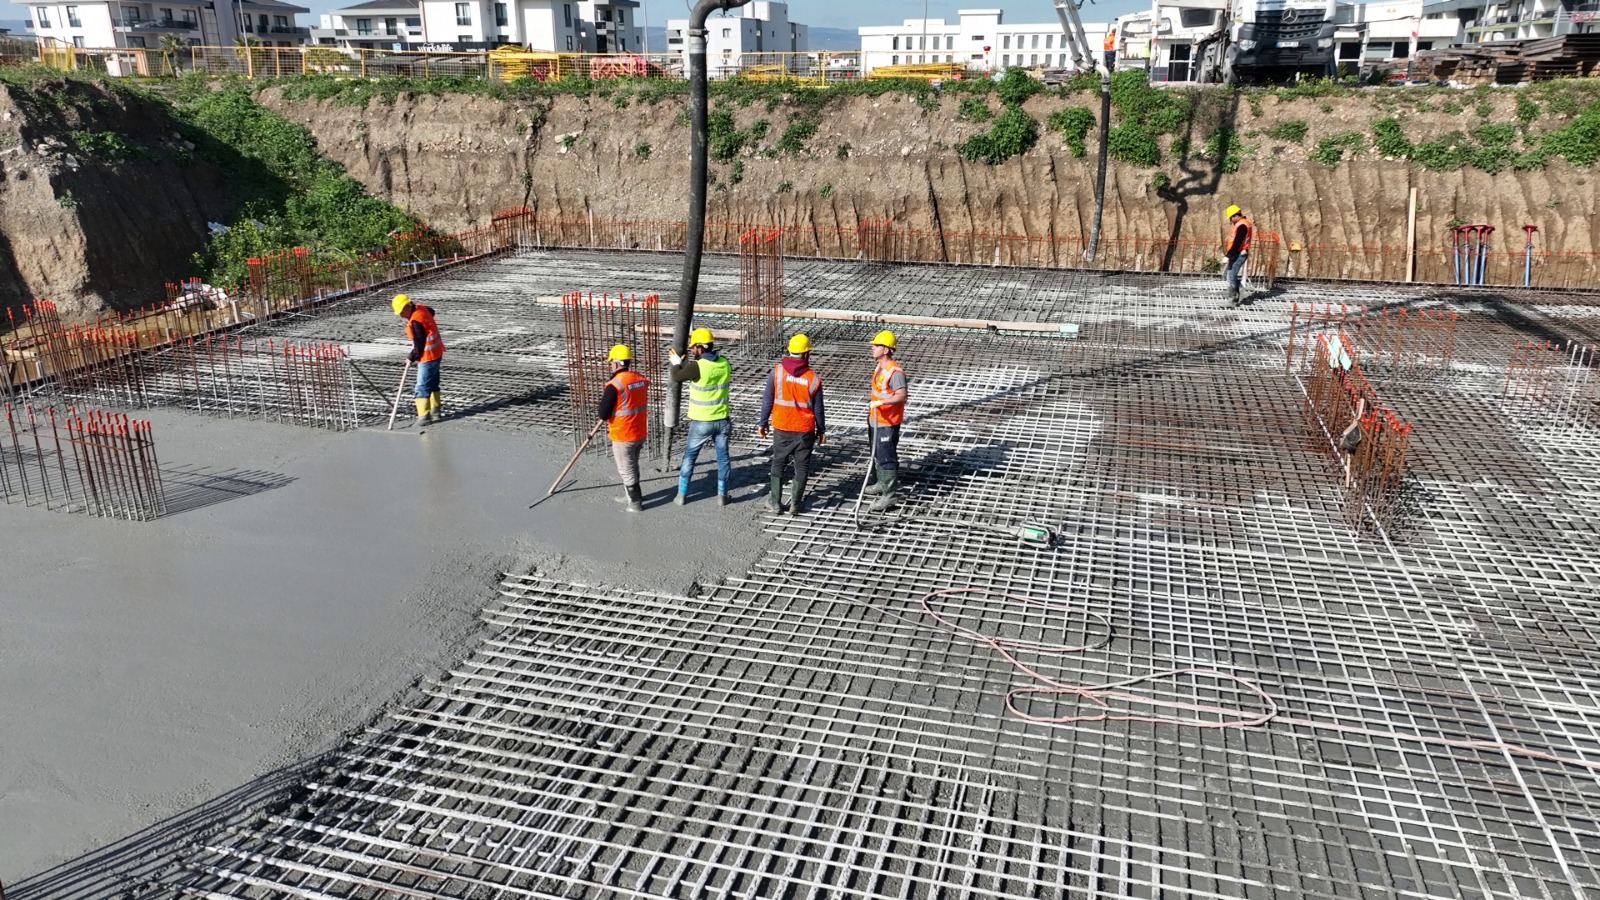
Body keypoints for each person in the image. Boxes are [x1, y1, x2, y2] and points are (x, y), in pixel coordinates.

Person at [759, 334, 826, 517]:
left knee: (778, 462)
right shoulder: (813, 378)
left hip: (782, 427)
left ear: (789, 351)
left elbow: (767, 400)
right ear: (806, 354)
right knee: (802, 466)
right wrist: (821, 430)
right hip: (804, 430)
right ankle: (795, 505)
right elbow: (819, 409)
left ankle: (775, 502)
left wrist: (763, 422)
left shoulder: (777, 372)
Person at [670, 327, 732, 506]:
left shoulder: (697, 366)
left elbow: (677, 376)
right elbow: (705, 372)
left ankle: (681, 495)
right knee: (723, 459)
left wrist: (675, 363)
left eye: (693, 347)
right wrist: (686, 364)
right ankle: (722, 496)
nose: (691, 349)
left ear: (700, 348)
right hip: (722, 419)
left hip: (702, 422)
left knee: (690, 456)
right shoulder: (725, 363)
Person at [598, 344, 649, 513]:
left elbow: (603, 413)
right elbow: (639, 390)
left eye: (611, 362)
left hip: (623, 434)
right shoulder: (639, 378)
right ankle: (630, 496)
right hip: (639, 431)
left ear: (616, 363)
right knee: (632, 465)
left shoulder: (615, 385)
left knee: (626, 470)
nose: (610, 365)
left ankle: (635, 503)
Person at [864, 330, 909, 512]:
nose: (873, 348)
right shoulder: (879, 367)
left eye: (876, 345)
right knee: (877, 453)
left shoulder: (895, 372)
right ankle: (881, 483)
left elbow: (902, 395)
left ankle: (889, 495)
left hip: (887, 422)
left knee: (886, 457)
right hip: (875, 419)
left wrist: (881, 402)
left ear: (886, 349)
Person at [392, 293, 444, 426]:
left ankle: (424, 417)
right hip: (437, 352)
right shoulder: (421, 308)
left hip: (427, 356)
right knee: (433, 383)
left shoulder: (416, 321)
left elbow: (419, 344)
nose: (400, 315)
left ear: (407, 308)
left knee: (422, 386)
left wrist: (411, 357)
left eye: (401, 312)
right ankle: (436, 411)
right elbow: (431, 312)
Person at [1223, 204, 1254, 306]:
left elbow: (1237, 242)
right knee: (1229, 275)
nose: (1231, 220)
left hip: (1239, 253)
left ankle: (1233, 299)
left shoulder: (1242, 226)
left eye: (1231, 218)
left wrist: (1228, 255)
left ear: (1235, 215)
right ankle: (1241, 291)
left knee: (1231, 276)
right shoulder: (1244, 223)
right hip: (1238, 253)